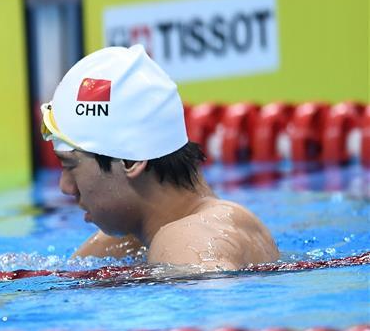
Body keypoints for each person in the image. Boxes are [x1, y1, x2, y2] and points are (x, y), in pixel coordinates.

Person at [40, 44, 279, 271]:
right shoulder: (133, 242)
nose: (65, 187)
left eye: (70, 165)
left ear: (131, 161)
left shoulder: (184, 241)